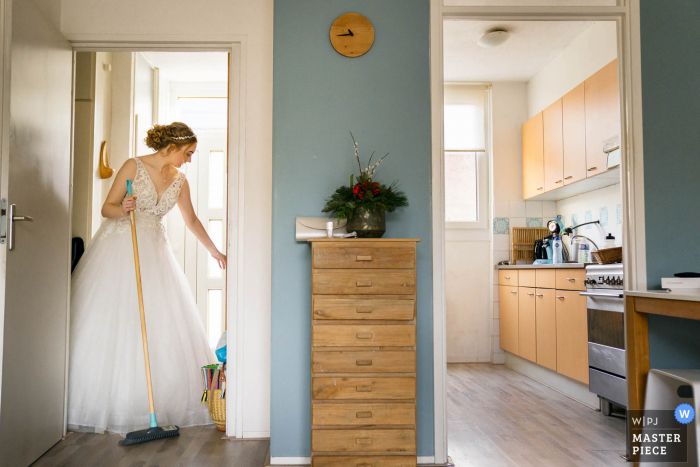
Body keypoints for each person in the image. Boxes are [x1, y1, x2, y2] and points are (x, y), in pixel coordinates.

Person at [68, 122, 225, 434]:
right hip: (119, 249)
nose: (189, 160)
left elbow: (191, 220)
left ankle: (155, 404)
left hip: (155, 253)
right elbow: (106, 208)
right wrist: (123, 207)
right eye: (189, 153)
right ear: (173, 147)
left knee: (158, 323)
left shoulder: (180, 181)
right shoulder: (132, 166)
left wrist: (215, 251)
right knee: (119, 321)